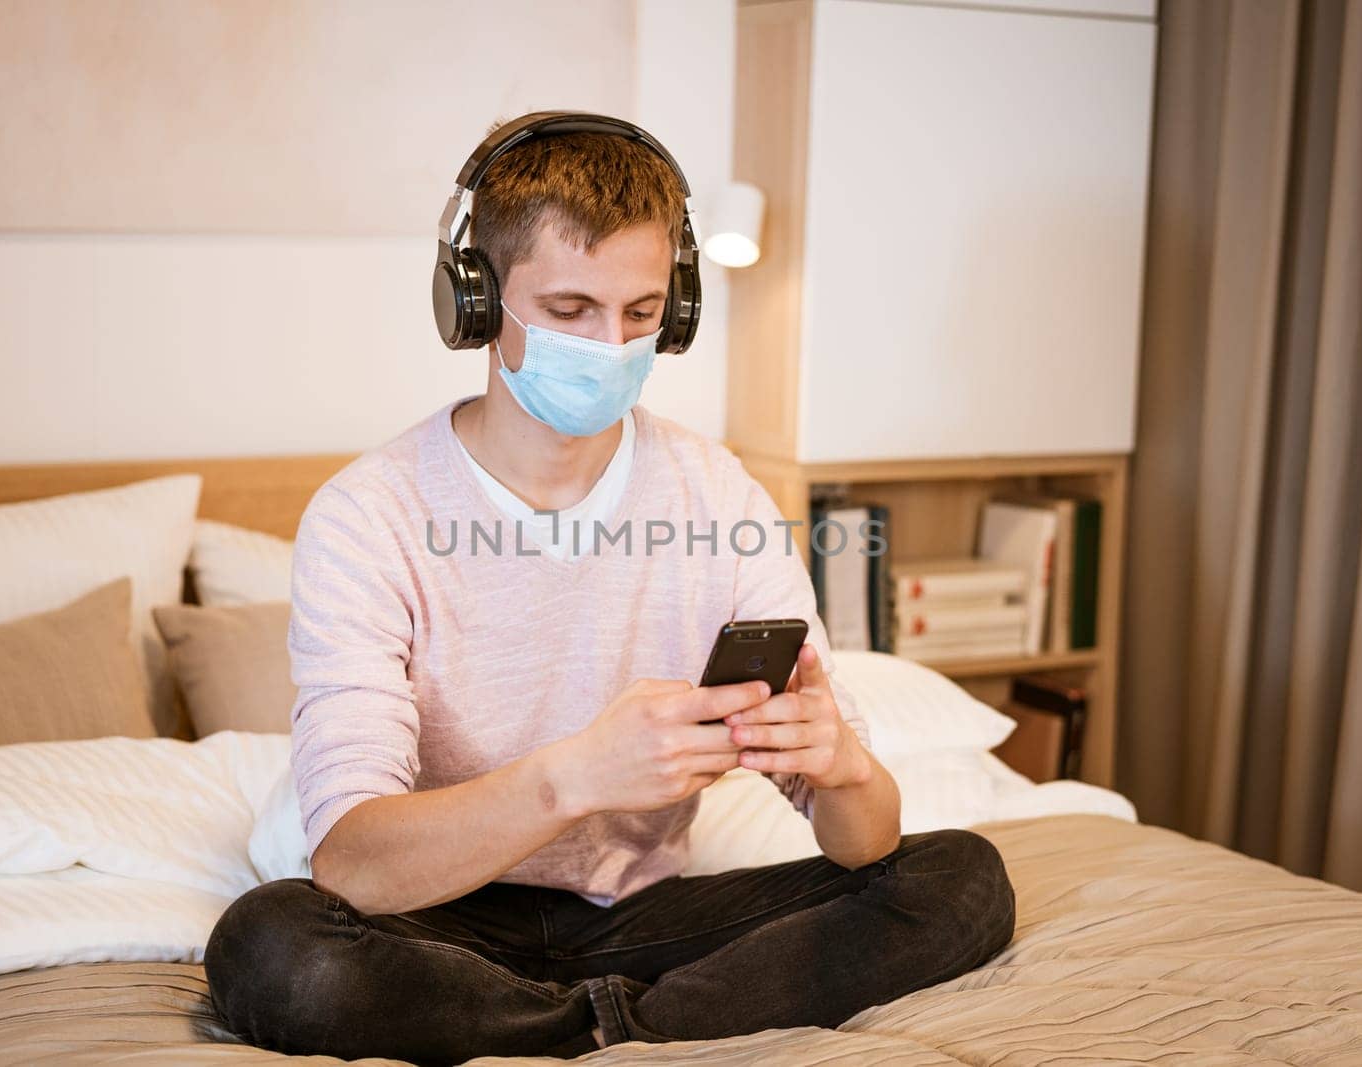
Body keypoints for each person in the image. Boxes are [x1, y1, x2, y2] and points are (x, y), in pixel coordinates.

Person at [203, 112, 1015, 1065]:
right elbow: (350, 859)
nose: (609, 345)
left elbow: (861, 843)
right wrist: (577, 774)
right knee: (272, 945)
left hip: (646, 918)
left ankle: (598, 1025)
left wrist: (841, 768)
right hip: (433, 920)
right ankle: (650, 1022)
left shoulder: (717, 492)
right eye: (569, 309)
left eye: (639, 313)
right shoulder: (367, 514)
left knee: (961, 878)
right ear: (473, 300)